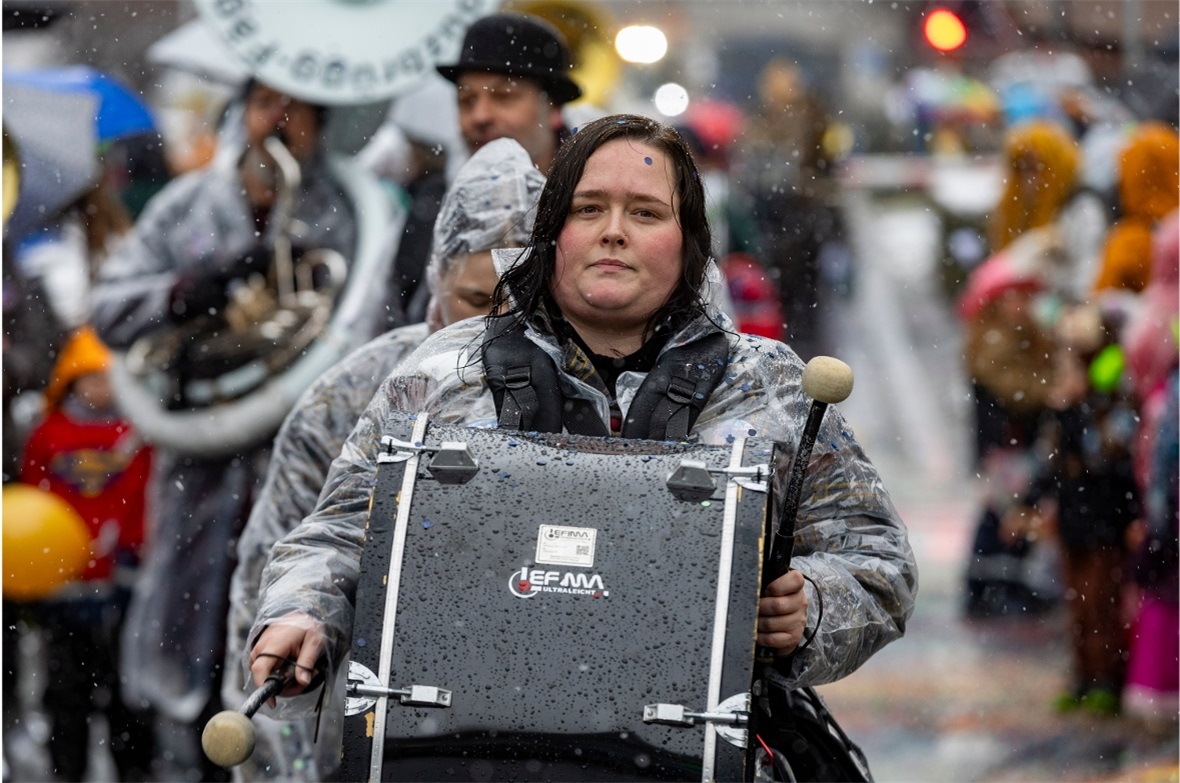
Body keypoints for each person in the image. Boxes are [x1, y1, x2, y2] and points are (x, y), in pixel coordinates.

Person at [246, 116, 917, 762]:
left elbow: (878, 562)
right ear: (550, 234)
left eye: (646, 213)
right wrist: (305, 612)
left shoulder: (772, 386)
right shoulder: (438, 374)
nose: (614, 232)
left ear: (689, 243)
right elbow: (336, 535)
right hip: (460, 752)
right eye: (588, 209)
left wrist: (814, 606)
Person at [90, 77, 396, 781]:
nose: (280, 124)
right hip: (200, 458)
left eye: (301, 110)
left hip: (300, 467)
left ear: (322, 125)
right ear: (242, 112)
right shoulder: (188, 203)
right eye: (265, 105)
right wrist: (183, 292)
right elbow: (108, 304)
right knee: (184, 634)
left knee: (287, 631)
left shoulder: (348, 212)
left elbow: (369, 332)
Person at [222, 138, 544, 781]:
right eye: (477, 302)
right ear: (436, 282)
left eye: (520, 302)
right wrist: (277, 764)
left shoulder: (572, 389)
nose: (497, 327)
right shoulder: (353, 392)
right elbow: (272, 575)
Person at [18, 325, 155, 781]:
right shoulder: (48, 435)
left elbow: (145, 500)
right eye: (89, 379)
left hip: (121, 588)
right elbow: (34, 502)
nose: (99, 388)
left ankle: (134, 770)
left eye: (105, 378)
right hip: (63, 590)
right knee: (67, 695)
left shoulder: (139, 433)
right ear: (71, 383)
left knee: (127, 694)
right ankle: (66, 771)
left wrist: (133, 547)